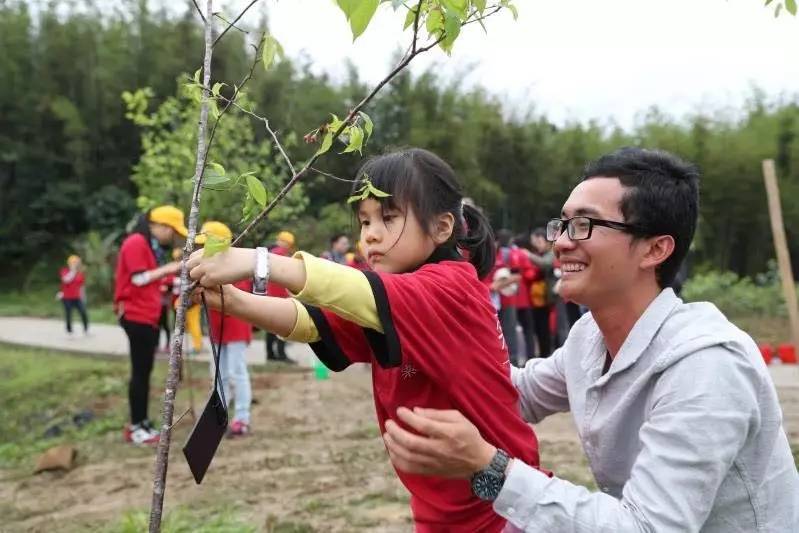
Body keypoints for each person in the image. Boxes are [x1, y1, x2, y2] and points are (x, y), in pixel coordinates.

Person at [380, 147, 799, 532]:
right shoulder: (589, 338)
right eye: (562, 223)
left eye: (583, 225)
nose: (560, 242)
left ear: (654, 249)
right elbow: (513, 392)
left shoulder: (705, 367)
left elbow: (647, 528)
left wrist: (488, 467)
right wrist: (428, 347)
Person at [188, 148, 544, 531]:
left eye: (388, 218)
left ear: (442, 228)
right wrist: (232, 300)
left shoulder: (450, 287)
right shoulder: (393, 298)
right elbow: (313, 322)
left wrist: (263, 262)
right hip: (444, 510)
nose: (370, 235)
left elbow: (358, 291)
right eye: (364, 221)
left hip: (503, 510)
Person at [114, 205, 185, 445]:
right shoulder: (136, 242)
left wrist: (172, 281)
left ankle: (142, 422)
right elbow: (139, 278)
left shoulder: (147, 245)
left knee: (144, 372)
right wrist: (173, 268)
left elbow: (153, 279)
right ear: (161, 226)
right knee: (140, 373)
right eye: (172, 231)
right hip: (136, 316)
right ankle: (136, 427)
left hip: (148, 316)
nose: (172, 237)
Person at [196, 221, 254, 437]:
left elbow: (239, 297)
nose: (201, 249)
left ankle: (242, 418)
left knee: (236, 371)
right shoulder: (207, 264)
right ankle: (219, 416)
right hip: (217, 326)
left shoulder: (236, 264)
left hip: (236, 324)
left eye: (206, 244)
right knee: (218, 372)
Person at [265, 230, 295, 364]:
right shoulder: (282, 254)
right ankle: (281, 354)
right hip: (280, 295)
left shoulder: (268, 252)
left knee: (270, 326)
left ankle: (270, 354)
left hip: (269, 294)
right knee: (283, 326)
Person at [526, 228, 554, 357]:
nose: (536, 244)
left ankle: (547, 355)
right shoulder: (539, 254)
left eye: (538, 241)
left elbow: (546, 264)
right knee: (540, 328)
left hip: (550, 298)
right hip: (539, 299)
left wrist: (528, 255)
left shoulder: (552, 253)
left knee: (548, 329)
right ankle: (544, 355)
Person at [58, 254, 89, 337]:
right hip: (67, 298)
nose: (75, 264)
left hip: (77, 298)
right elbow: (66, 280)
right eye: (73, 263)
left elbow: (82, 287)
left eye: (76, 263)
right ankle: (69, 331)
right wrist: (73, 271)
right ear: (69, 263)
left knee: (83, 312)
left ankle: (86, 330)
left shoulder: (80, 274)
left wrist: (84, 298)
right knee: (68, 314)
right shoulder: (64, 271)